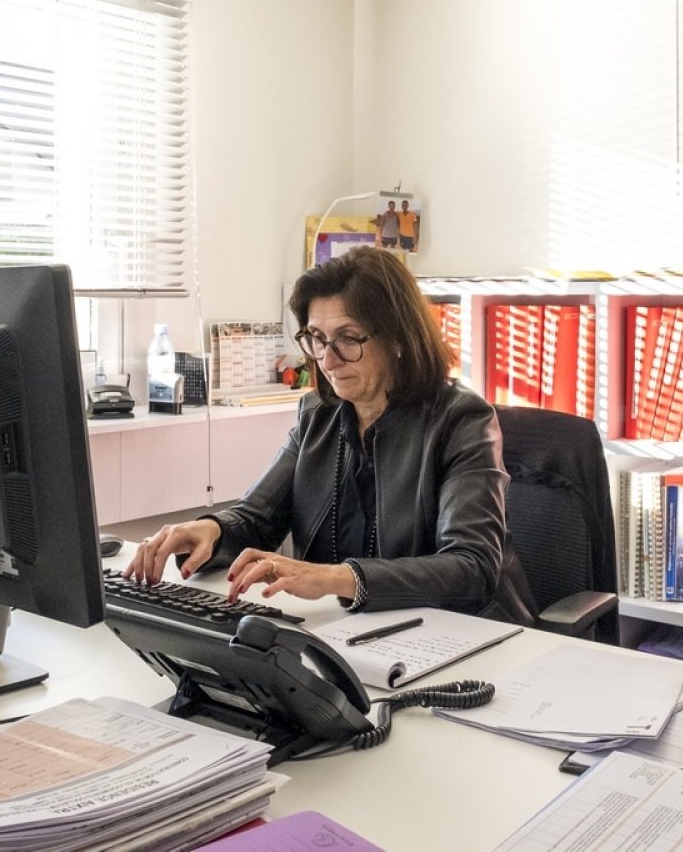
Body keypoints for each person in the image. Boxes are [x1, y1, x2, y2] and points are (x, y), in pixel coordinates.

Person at [124, 246, 534, 625]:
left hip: (462, 635)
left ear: (398, 338)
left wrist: (336, 578)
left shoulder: (462, 420)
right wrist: (211, 529)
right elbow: (257, 517)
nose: (327, 360)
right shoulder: (318, 413)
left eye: (347, 339)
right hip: (348, 628)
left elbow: (472, 567)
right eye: (317, 339)